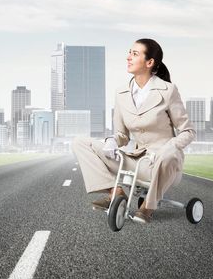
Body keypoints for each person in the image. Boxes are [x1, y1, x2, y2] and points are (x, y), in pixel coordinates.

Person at [71, 38, 196, 223]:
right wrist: (112, 141)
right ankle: (116, 192)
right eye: (129, 52)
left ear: (150, 62)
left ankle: (148, 206)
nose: (128, 57)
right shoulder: (121, 93)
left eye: (134, 54)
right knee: (79, 142)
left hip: (161, 163)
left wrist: (169, 147)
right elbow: (122, 135)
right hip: (136, 159)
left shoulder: (167, 91)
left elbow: (188, 131)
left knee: (168, 155)